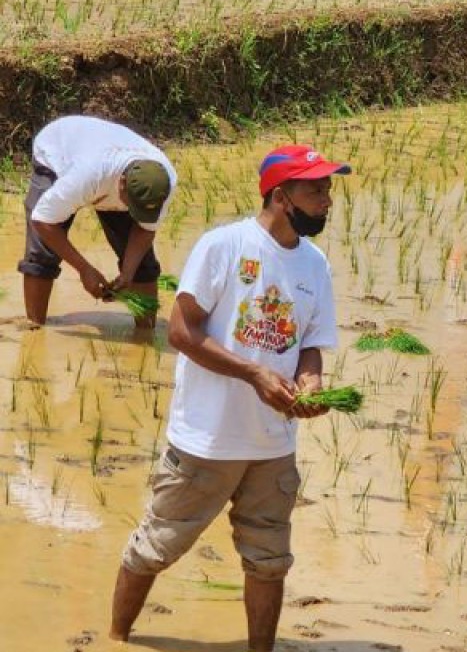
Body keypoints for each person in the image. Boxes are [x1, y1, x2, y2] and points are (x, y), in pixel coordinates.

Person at [109, 144, 350, 651]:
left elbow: (310, 344)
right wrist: (254, 373)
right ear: (281, 197)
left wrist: (311, 384)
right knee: (155, 547)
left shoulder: (316, 265)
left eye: (328, 188)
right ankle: (115, 639)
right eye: (315, 190)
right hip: (206, 440)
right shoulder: (224, 246)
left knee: (269, 561)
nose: (327, 200)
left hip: (272, 446)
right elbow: (181, 332)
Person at [18, 115, 179, 327]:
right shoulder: (86, 176)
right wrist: (84, 269)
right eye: (133, 207)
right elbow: (43, 221)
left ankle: (145, 333)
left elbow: (145, 229)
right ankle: (34, 327)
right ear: (122, 184)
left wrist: (128, 272)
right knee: (42, 252)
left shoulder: (163, 182)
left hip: (103, 159)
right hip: (58, 150)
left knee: (142, 264)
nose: (136, 214)